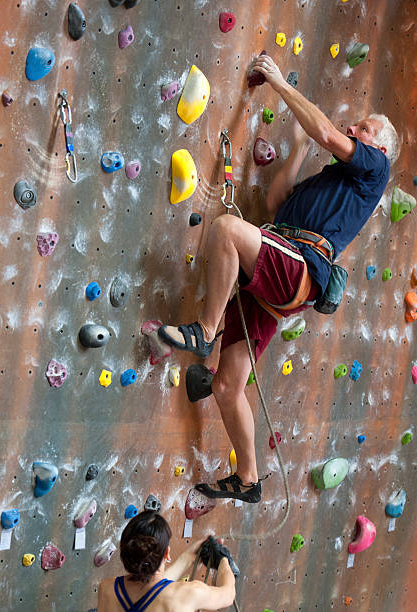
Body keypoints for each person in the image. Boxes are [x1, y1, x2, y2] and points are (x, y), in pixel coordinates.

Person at [158, 54, 400, 504]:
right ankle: (248, 478)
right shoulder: (332, 181)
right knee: (228, 386)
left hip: (300, 268)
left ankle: (204, 332)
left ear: (377, 148)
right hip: (277, 270)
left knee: (228, 230)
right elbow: (274, 200)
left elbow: (327, 131)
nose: (354, 129)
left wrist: (279, 84)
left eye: (363, 129)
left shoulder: (374, 171)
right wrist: (300, 149)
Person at [97, 510, 236, 611]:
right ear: (167, 553)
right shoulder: (188, 594)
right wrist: (223, 560)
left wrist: (189, 558)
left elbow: (155, 590)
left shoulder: (107, 589)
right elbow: (228, 595)